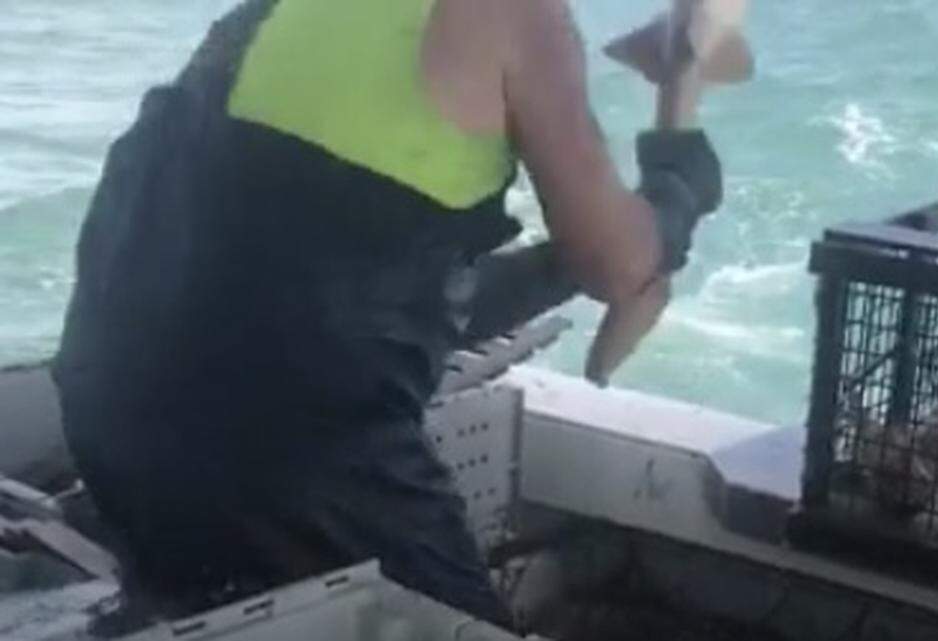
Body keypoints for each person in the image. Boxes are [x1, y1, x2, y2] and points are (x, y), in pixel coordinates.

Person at [52, 0, 721, 631]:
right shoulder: (516, 16)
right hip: (293, 460)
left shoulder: (277, 17)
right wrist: (677, 185)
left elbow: (327, 292)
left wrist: (560, 266)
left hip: (113, 426)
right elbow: (620, 264)